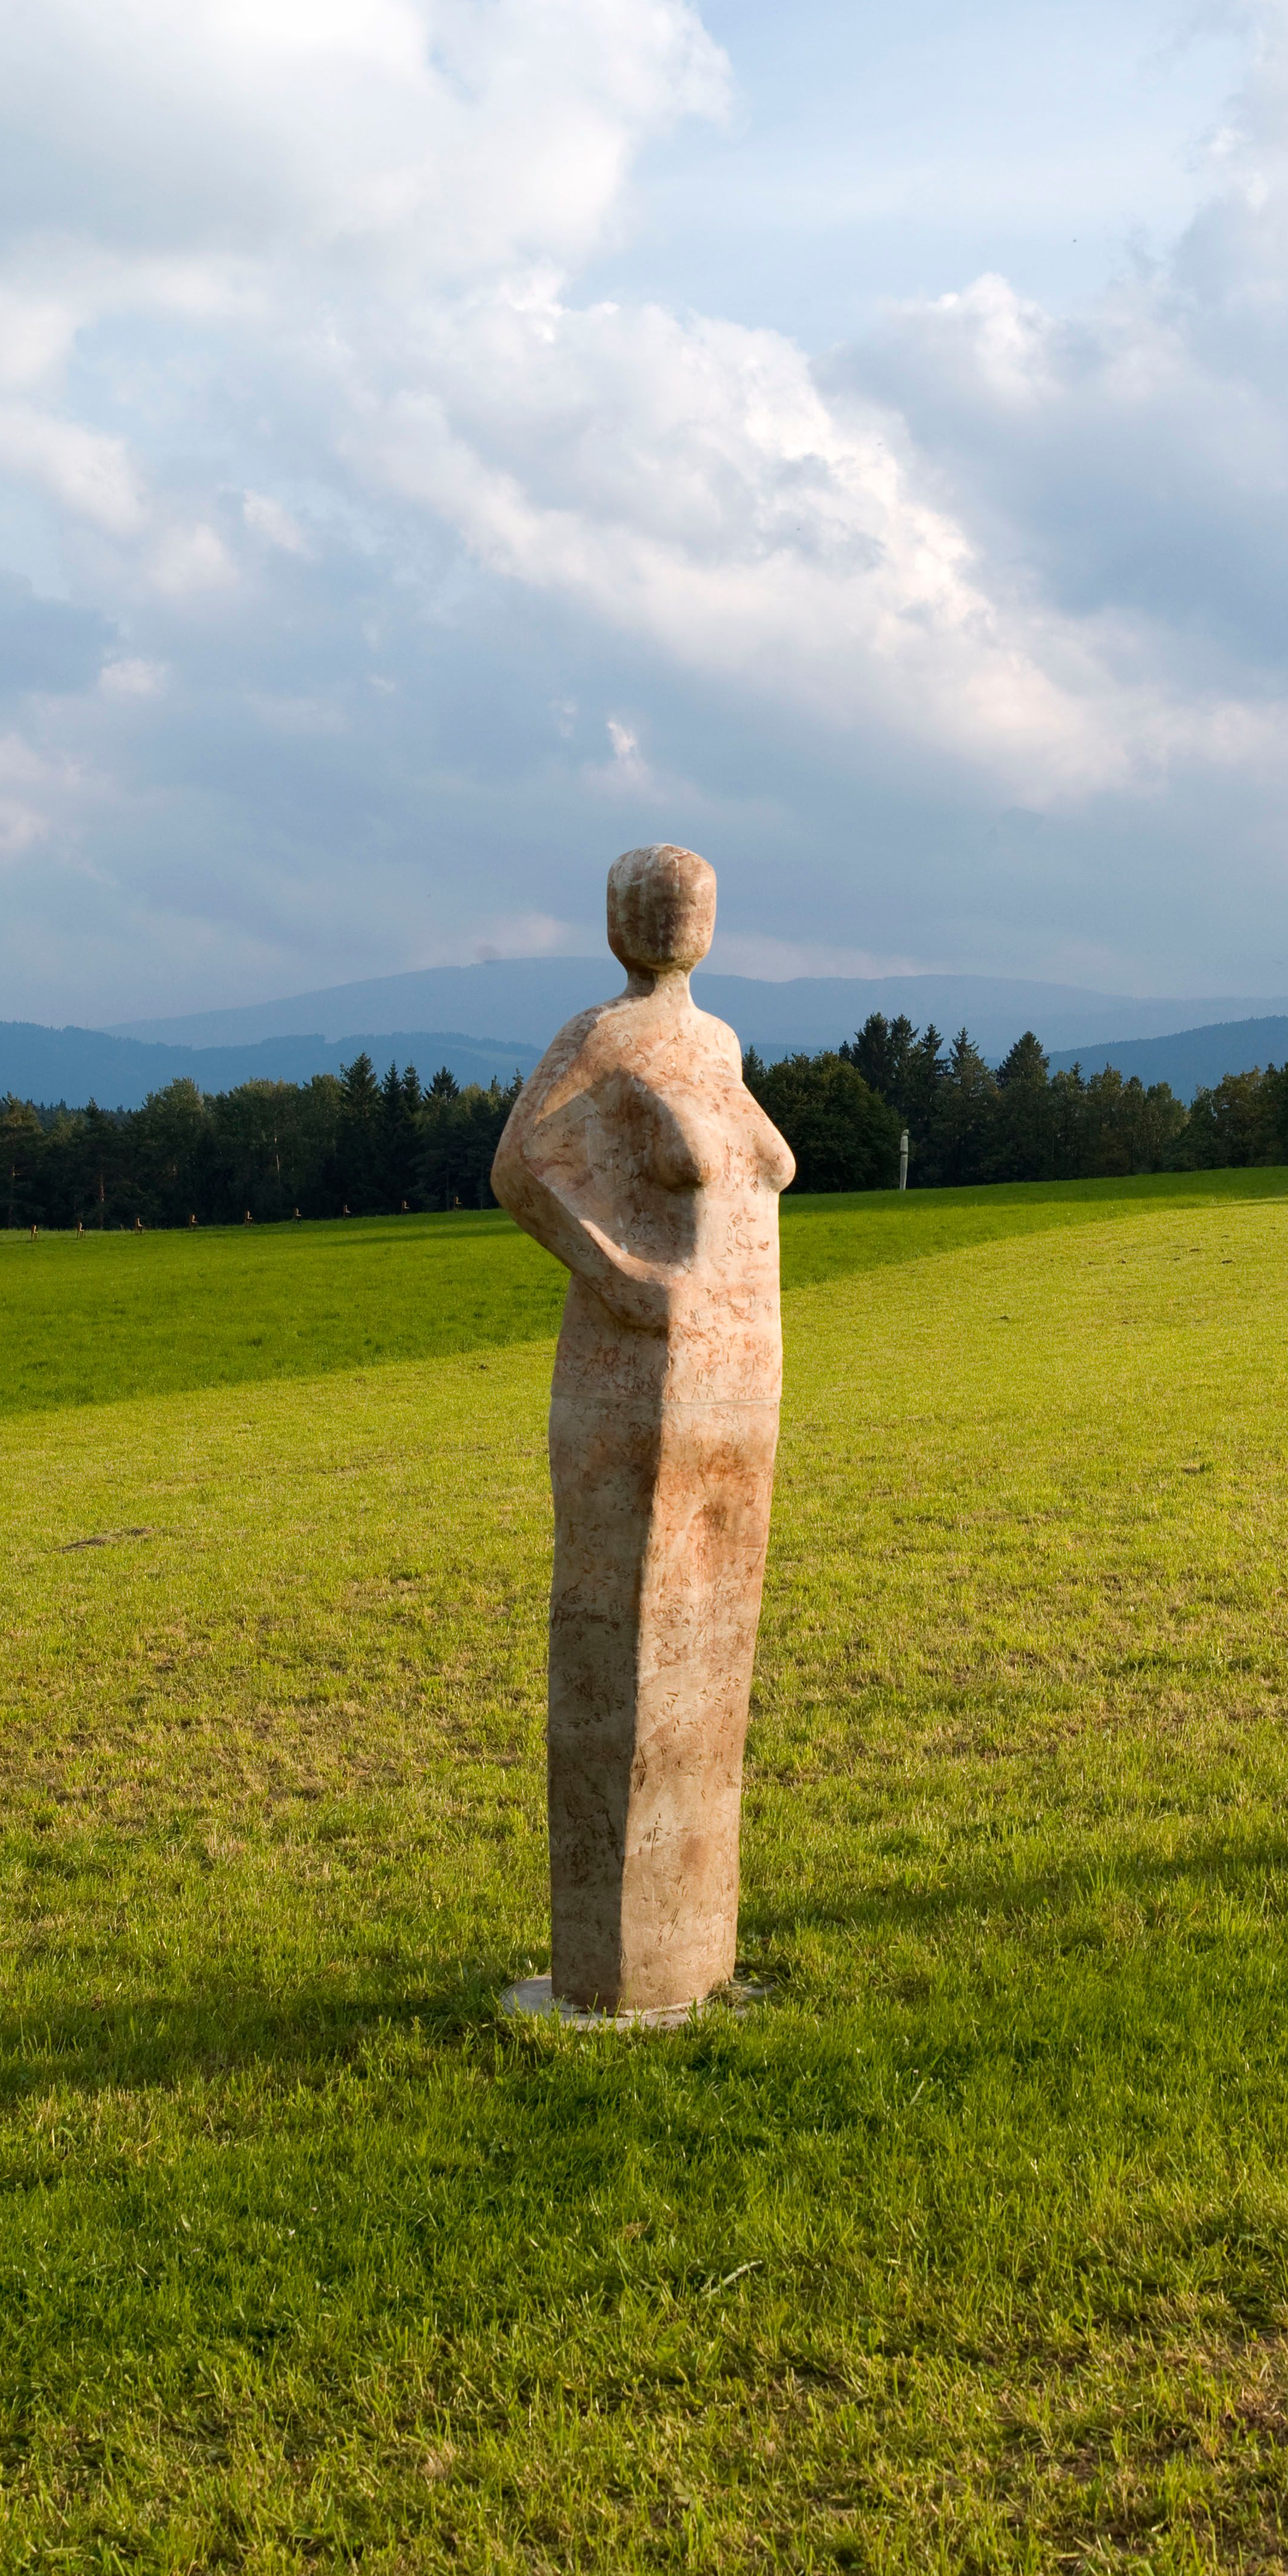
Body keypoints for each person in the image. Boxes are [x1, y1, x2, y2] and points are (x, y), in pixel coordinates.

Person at [490, 844, 797, 2020]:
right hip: (639, 1380)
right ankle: (621, 1968)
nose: (680, 907)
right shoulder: (601, 1040)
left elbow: (756, 1172)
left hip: (740, 1376)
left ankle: (695, 1951)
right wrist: (619, 1275)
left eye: (697, 893)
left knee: (709, 1659)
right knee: (629, 1644)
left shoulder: (714, 1047)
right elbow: (521, 1169)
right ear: (618, 917)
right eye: (658, 895)